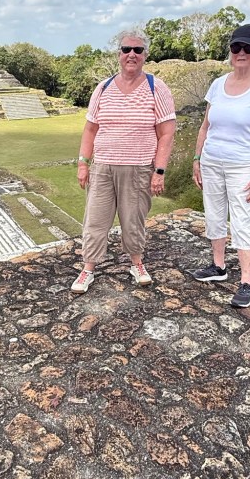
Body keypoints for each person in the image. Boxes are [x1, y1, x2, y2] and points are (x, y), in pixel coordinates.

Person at [71, 29, 176, 293]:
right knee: (95, 220)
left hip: (138, 167)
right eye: (126, 49)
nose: (131, 54)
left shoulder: (156, 87)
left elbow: (166, 133)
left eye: (137, 50)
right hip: (103, 166)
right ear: (119, 53)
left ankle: (137, 264)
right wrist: (83, 163)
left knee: (133, 221)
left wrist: (159, 170)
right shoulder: (103, 88)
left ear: (145, 55)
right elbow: (90, 129)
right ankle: (88, 268)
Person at [191, 23, 250, 308]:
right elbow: (205, 126)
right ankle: (218, 266)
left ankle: (246, 281)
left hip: (244, 164)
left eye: (247, 48)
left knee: (241, 218)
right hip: (212, 160)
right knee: (214, 213)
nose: (241, 53)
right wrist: (197, 159)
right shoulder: (218, 84)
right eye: (235, 47)